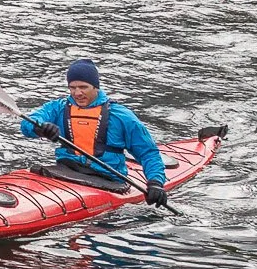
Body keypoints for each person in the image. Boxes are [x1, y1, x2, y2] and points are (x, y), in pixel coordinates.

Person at [21, 60, 167, 207]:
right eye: (72, 87)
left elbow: (148, 153)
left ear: (95, 87)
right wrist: (39, 128)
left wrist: (155, 182)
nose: (77, 93)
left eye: (83, 87)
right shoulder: (58, 108)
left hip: (107, 180)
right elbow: (27, 124)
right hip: (65, 171)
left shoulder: (122, 116)